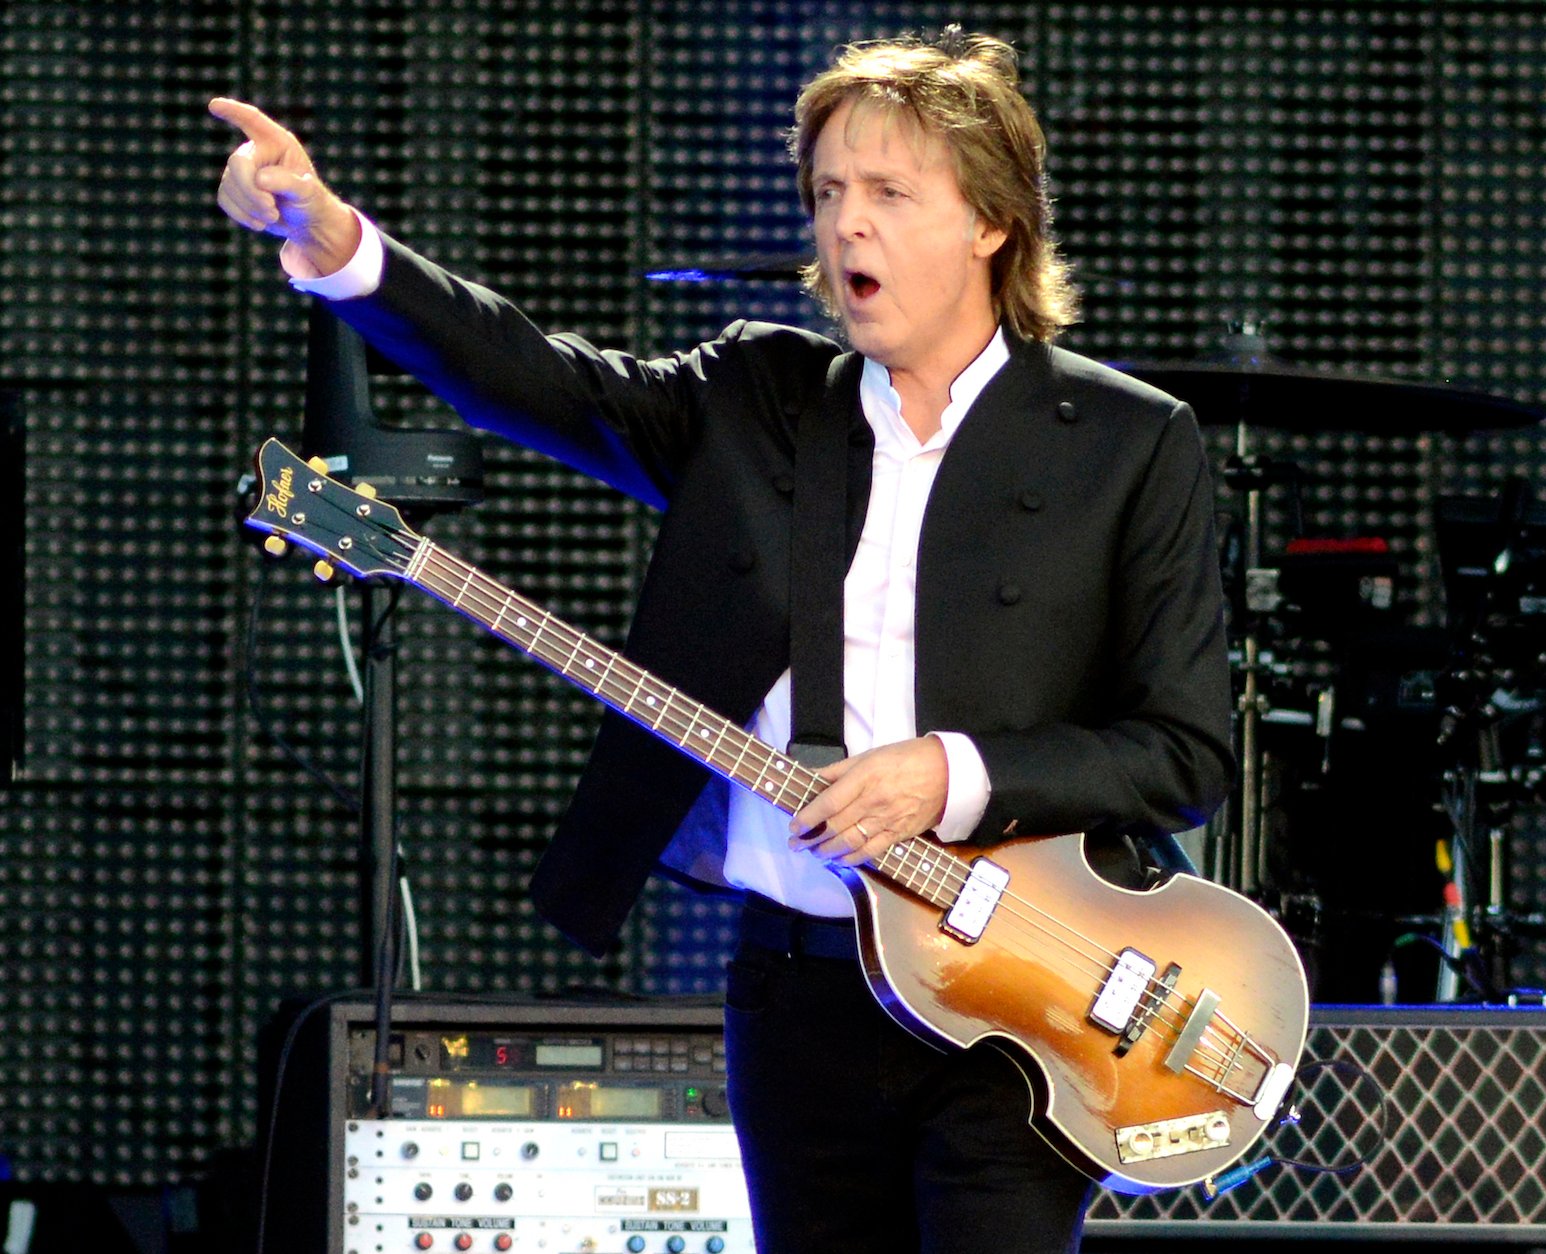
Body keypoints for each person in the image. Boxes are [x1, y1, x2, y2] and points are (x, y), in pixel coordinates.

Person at [213, 26, 1232, 1254]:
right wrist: (337, 247)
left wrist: (949, 773)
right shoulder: (758, 396)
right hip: (796, 988)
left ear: (991, 223)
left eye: (890, 194)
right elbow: (545, 380)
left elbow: (1180, 751)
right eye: (828, 193)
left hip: (1020, 997)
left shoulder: (1126, 439)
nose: (845, 224)